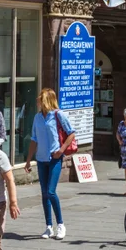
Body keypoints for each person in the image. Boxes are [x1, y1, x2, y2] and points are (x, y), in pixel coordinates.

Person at [23, 88, 75, 240]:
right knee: (44, 193)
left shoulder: (58, 115)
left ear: (48, 100)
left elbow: (71, 133)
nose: (38, 101)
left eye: (41, 99)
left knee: (51, 191)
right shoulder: (38, 117)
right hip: (41, 159)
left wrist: (61, 150)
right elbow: (34, 139)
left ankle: (61, 224)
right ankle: (48, 226)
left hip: (54, 158)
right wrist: (28, 160)